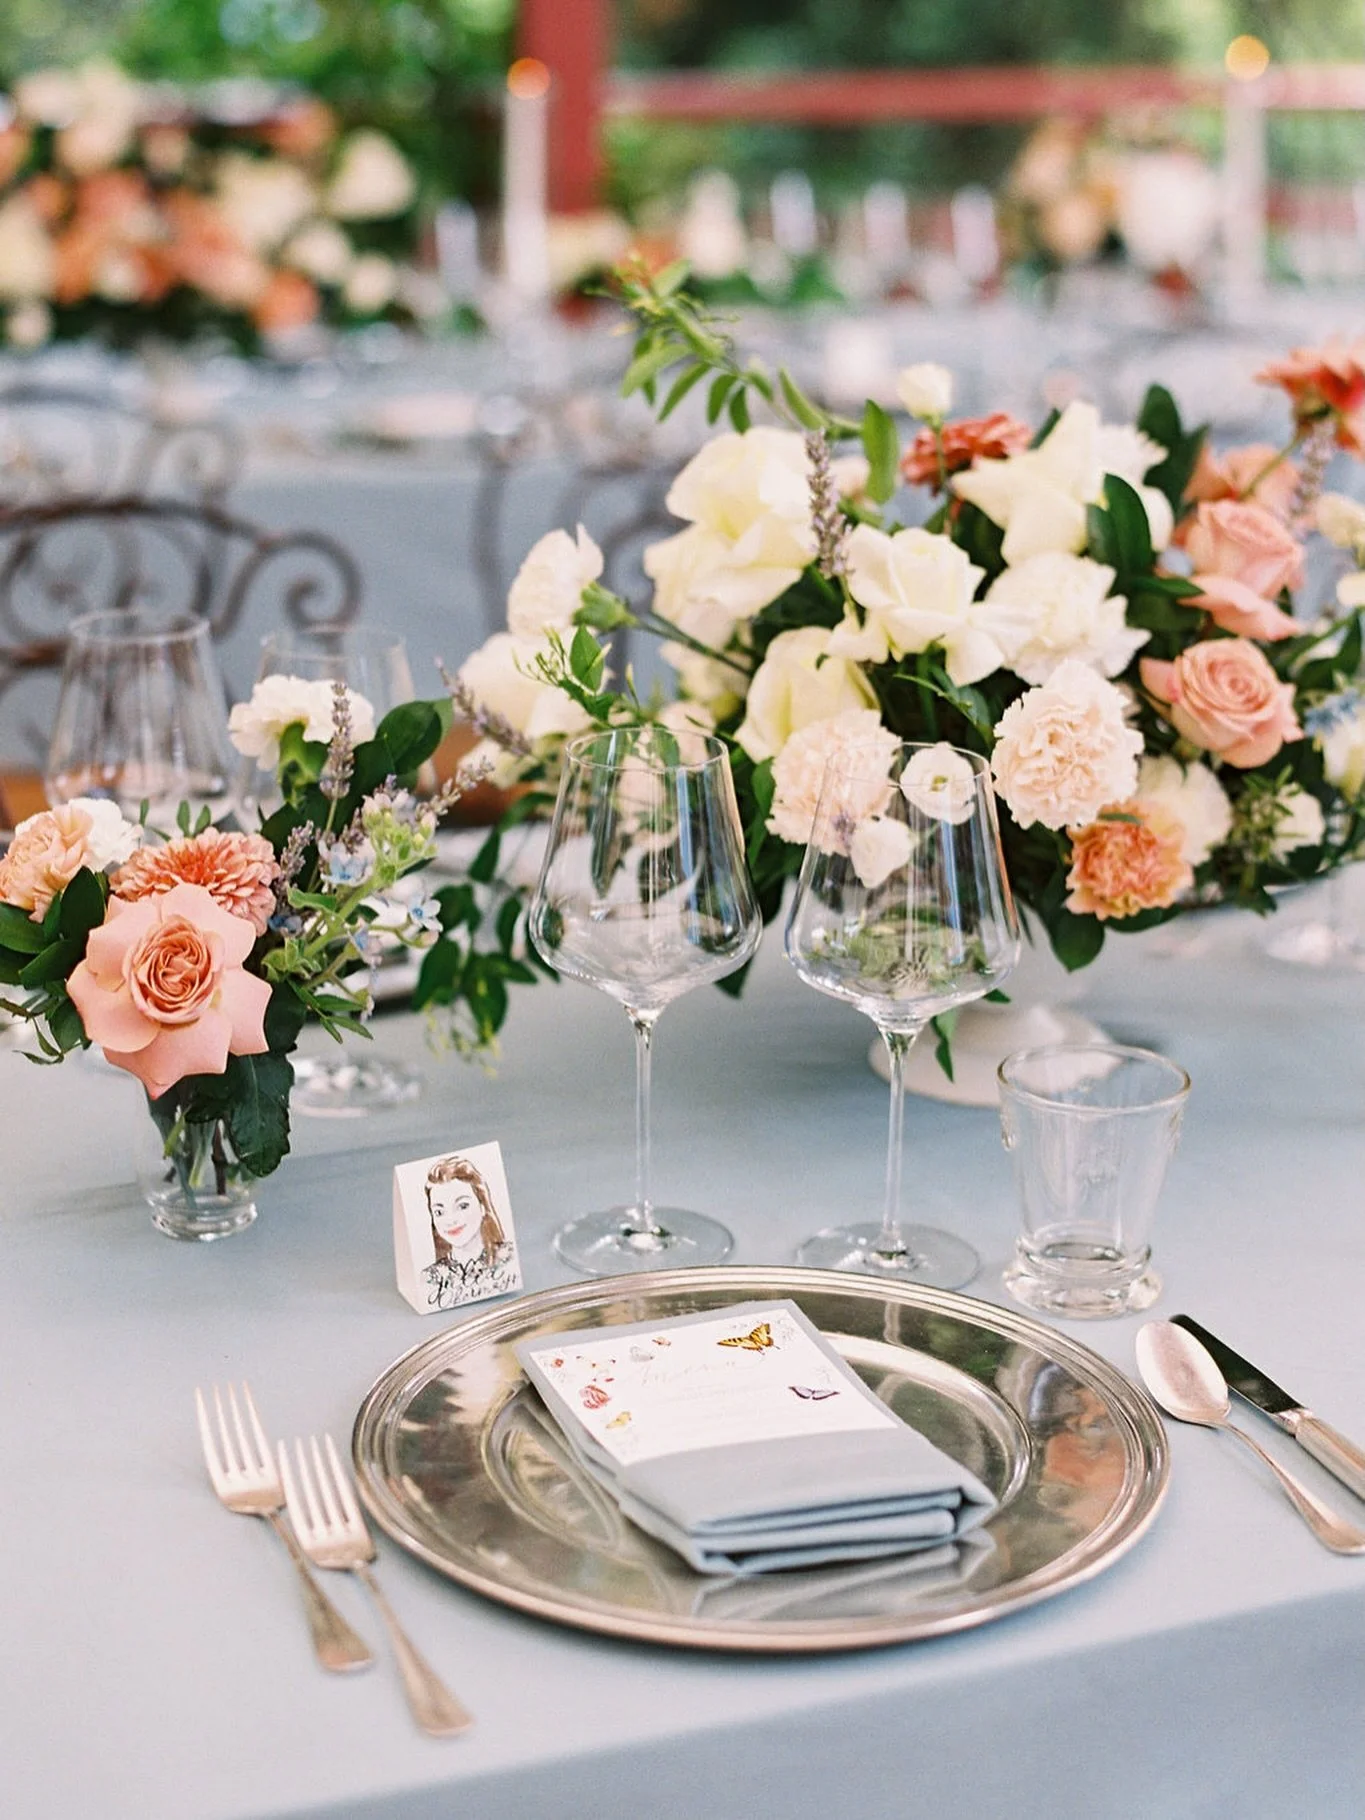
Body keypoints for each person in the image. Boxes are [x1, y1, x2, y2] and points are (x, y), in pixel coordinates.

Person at [422, 1153, 519, 1309]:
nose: (451, 1220)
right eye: (439, 1212)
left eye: (462, 1206)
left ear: (482, 1205)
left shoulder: (508, 1258)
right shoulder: (430, 1277)